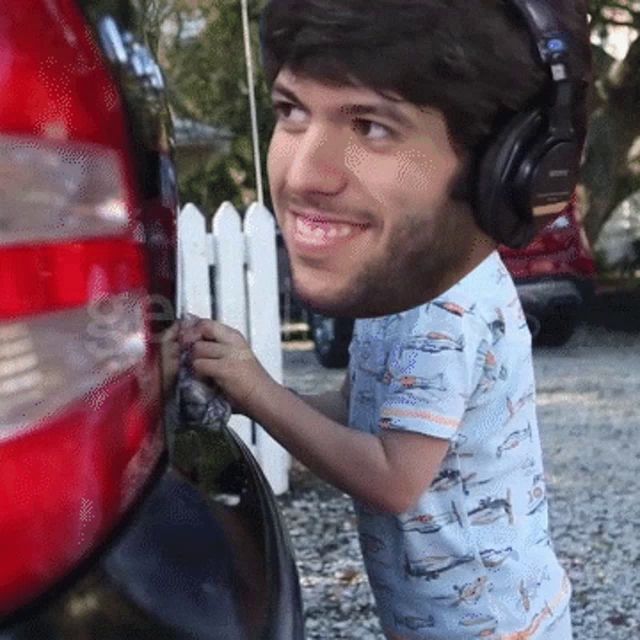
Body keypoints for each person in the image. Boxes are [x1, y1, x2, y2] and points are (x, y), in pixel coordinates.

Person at [179, 1, 591, 638]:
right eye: (291, 110)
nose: (308, 176)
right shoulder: (400, 277)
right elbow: (361, 406)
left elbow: (394, 479)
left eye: (371, 125)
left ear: (502, 165)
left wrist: (261, 396)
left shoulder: (445, 310)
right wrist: (248, 387)